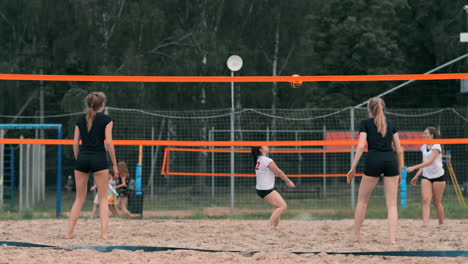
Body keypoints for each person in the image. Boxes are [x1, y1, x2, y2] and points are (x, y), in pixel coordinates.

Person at [347, 97, 403, 244]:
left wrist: (353, 167)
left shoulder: (365, 124)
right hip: (390, 161)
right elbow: (399, 149)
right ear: (383, 108)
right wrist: (400, 169)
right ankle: (392, 239)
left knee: (362, 201)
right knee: (392, 204)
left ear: (369, 110)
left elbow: (360, 147)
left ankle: (357, 237)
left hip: (373, 160)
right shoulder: (390, 124)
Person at [65, 92, 118, 240]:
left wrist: (79, 159)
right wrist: (114, 164)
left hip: (83, 158)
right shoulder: (107, 120)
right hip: (99, 159)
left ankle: (69, 233)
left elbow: (75, 144)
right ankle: (104, 234)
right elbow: (109, 143)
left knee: (79, 199)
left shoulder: (80, 119)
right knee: (102, 199)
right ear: (103, 105)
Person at [407, 127, 446, 225]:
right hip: (426, 176)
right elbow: (424, 163)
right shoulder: (424, 146)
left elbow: (430, 162)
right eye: (423, 133)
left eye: (425, 133)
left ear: (432, 135)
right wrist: (416, 176)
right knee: (426, 200)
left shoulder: (436, 146)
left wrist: (413, 167)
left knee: (436, 202)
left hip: (438, 176)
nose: (423, 135)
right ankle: (425, 224)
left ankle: (441, 224)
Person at [251, 146, 295, 228]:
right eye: (264, 146)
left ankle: (275, 227)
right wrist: (288, 181)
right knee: (283, 206)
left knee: (278, 206)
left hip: (261, 188)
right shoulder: (267, 160)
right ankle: (268, 226)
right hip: (266, 189)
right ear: (261, 149)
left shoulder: (258, 160)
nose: (267, 146)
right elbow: (279, 172)